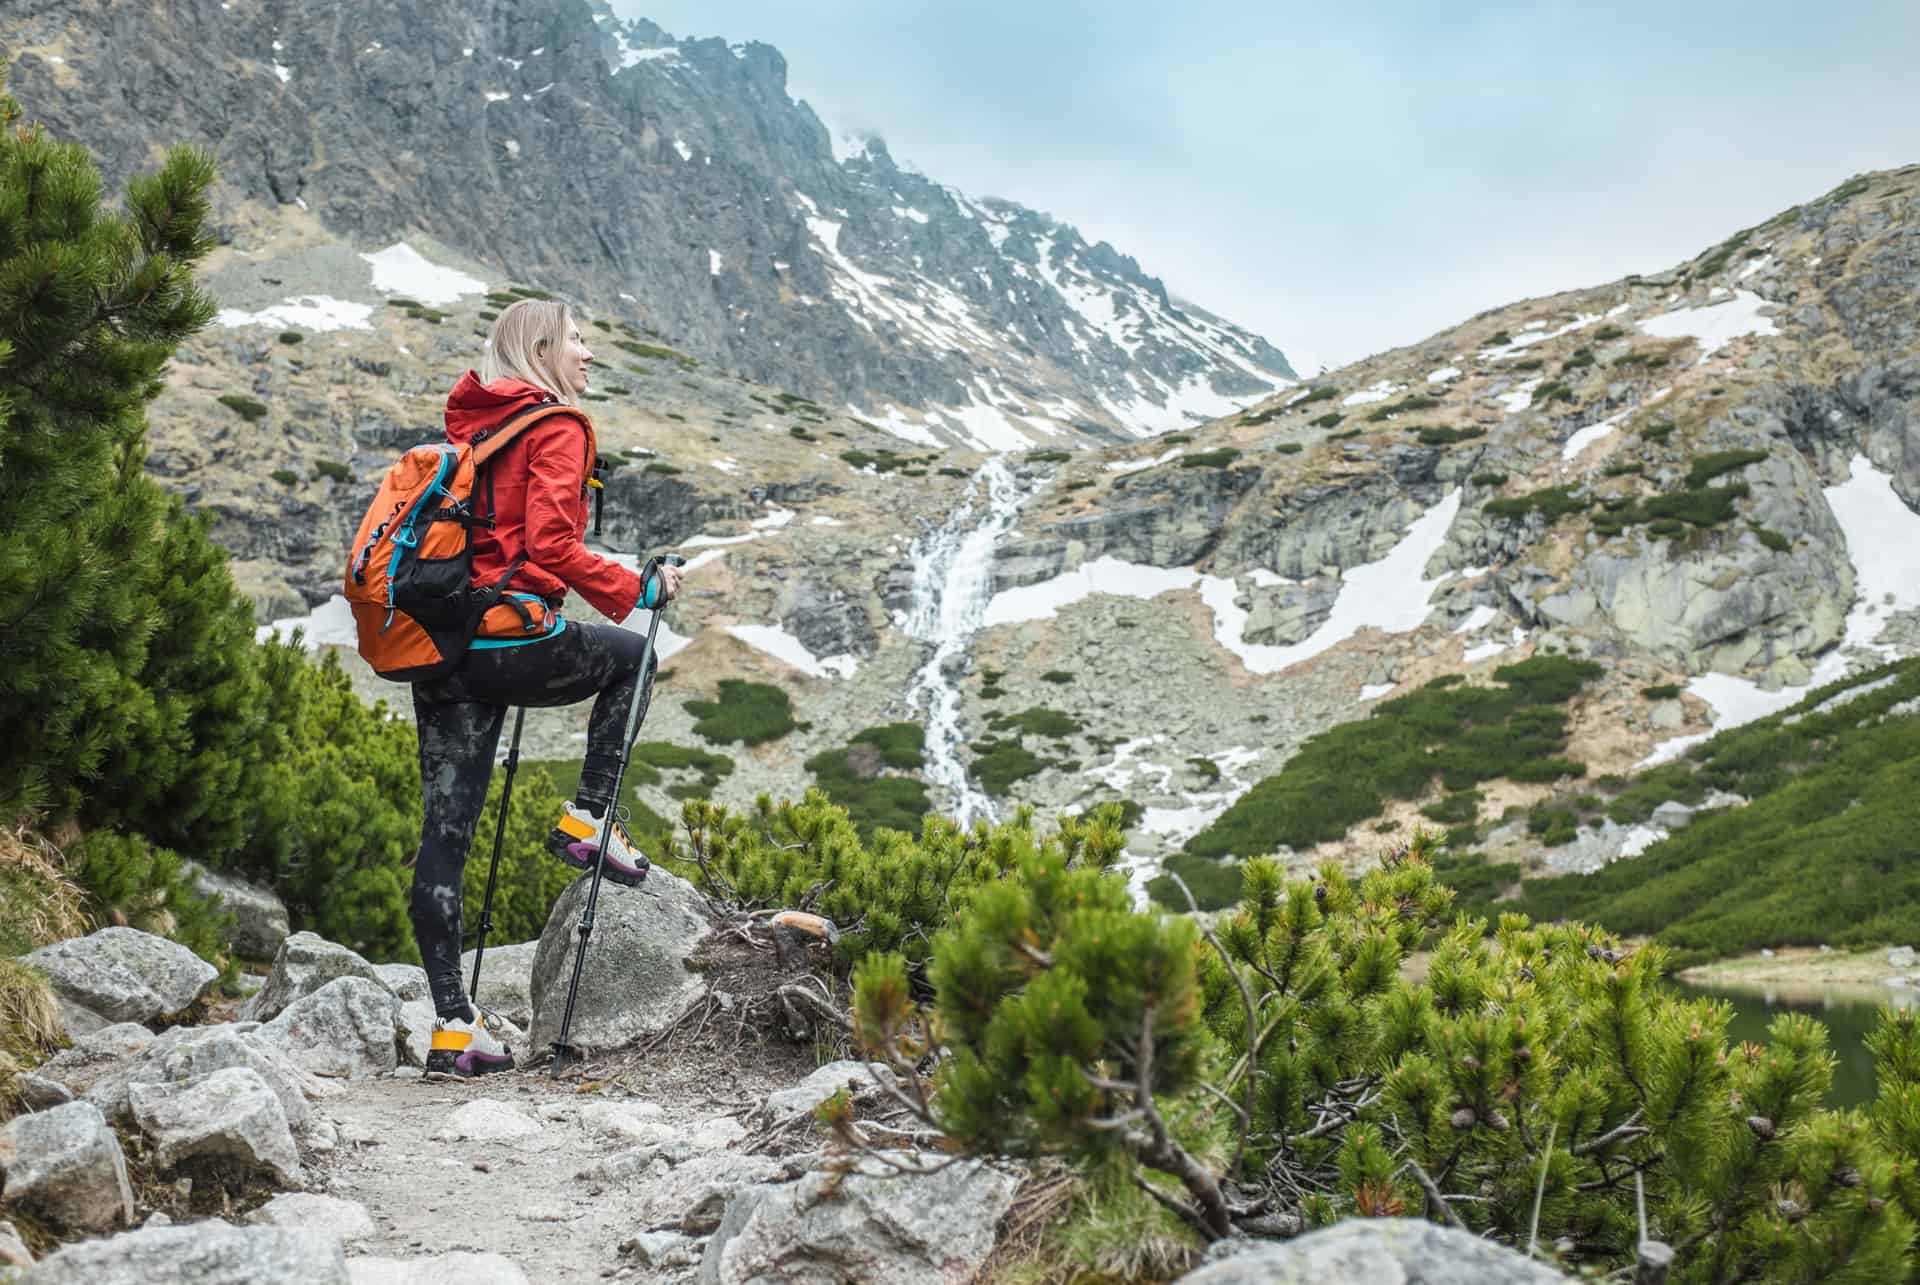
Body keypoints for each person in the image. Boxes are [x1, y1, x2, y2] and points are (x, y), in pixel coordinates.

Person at [409, 299, 683, 1077]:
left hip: (447, 648)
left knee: (444, 838)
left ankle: (453, 1025)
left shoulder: (472, 427)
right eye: (577, 338)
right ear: (541, 348)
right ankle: (589, 816)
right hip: (511, 637)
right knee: (633, 659)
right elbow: (553, 544)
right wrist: (642, 589)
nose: (588, 354)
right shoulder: (556, 425)